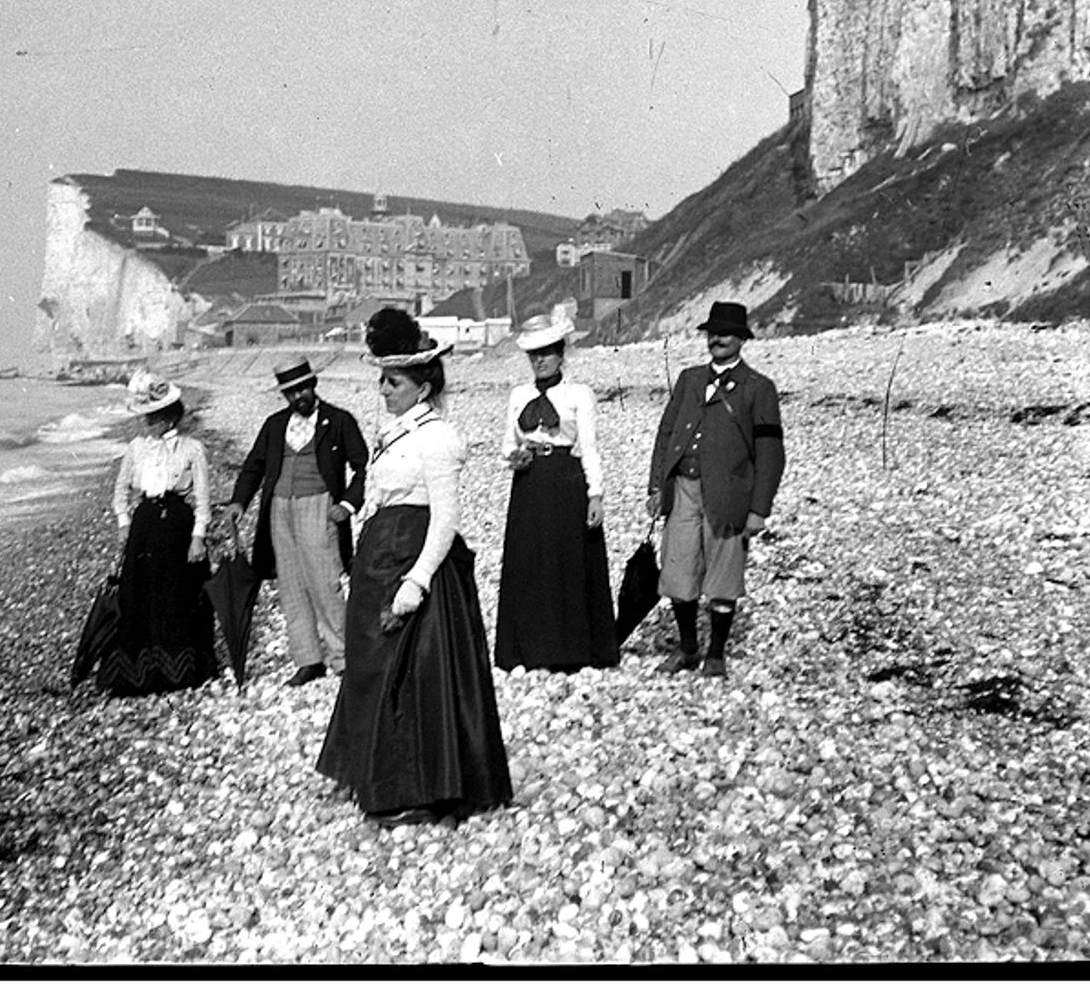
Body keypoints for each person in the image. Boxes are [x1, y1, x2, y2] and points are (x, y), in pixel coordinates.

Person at [316, 308, 512, 828]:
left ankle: (425, 790)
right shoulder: (395, 432)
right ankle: (374, 772)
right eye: (382, 378)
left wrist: (417, 581)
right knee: (371, 668)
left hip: (415, 566)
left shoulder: (437, 437)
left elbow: (446, 518)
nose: (383, 388)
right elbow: (377, 501)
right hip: (379, 561)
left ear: (422, 389)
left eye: (393, 380)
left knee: (415, 678)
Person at [648, 301, 786, 678]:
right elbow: (666, 436)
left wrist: (759, 509)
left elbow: (771, 454)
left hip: (729, 498)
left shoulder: (759, 388)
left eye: (726, 333)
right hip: (684, 491)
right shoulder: (689, 379)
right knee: (678, 573)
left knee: (723, 580)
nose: (717, 339)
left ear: (742, 339)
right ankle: (688, 647)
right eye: (712, 332)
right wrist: (657, 487)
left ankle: (716, 655)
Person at [227, 357, 369, 687]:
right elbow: (253, 466)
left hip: (319, 506)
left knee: (325, 583)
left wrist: (347, 504)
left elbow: (363, 467)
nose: (298, 396)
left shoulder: (339, 421)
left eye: (302, 388)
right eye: (290, 392)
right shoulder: (275, 424)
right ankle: (308, 661)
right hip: (279, 509)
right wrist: (239, 502)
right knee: (290, 586)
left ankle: (343, 658)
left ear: (314, 385)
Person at [494, 312, 619, 672]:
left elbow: (590, 447)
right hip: (528, 483)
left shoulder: (579, 394)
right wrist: (512, 459)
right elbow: (506, 445)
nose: (540, 359)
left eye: (547, 351)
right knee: (529, 561)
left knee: (567, 562)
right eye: (533, 353)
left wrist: (596, 493)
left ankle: (571, 650)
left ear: (561, 353)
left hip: (566, 481)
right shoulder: (518, 395)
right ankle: (528, 650)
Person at [98, 370, 218, 696]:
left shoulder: (192, 448)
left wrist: (198, 536)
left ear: (167, 418)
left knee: (176, 593)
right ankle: (136, 673)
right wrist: (123, 523)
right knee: (138, 594)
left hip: (178, 524)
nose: (145, 425)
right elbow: (120, 490)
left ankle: (178, 671)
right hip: (144, 524)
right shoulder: (136, 448)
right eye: (144, 419)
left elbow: (204, 498)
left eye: (151, 419)